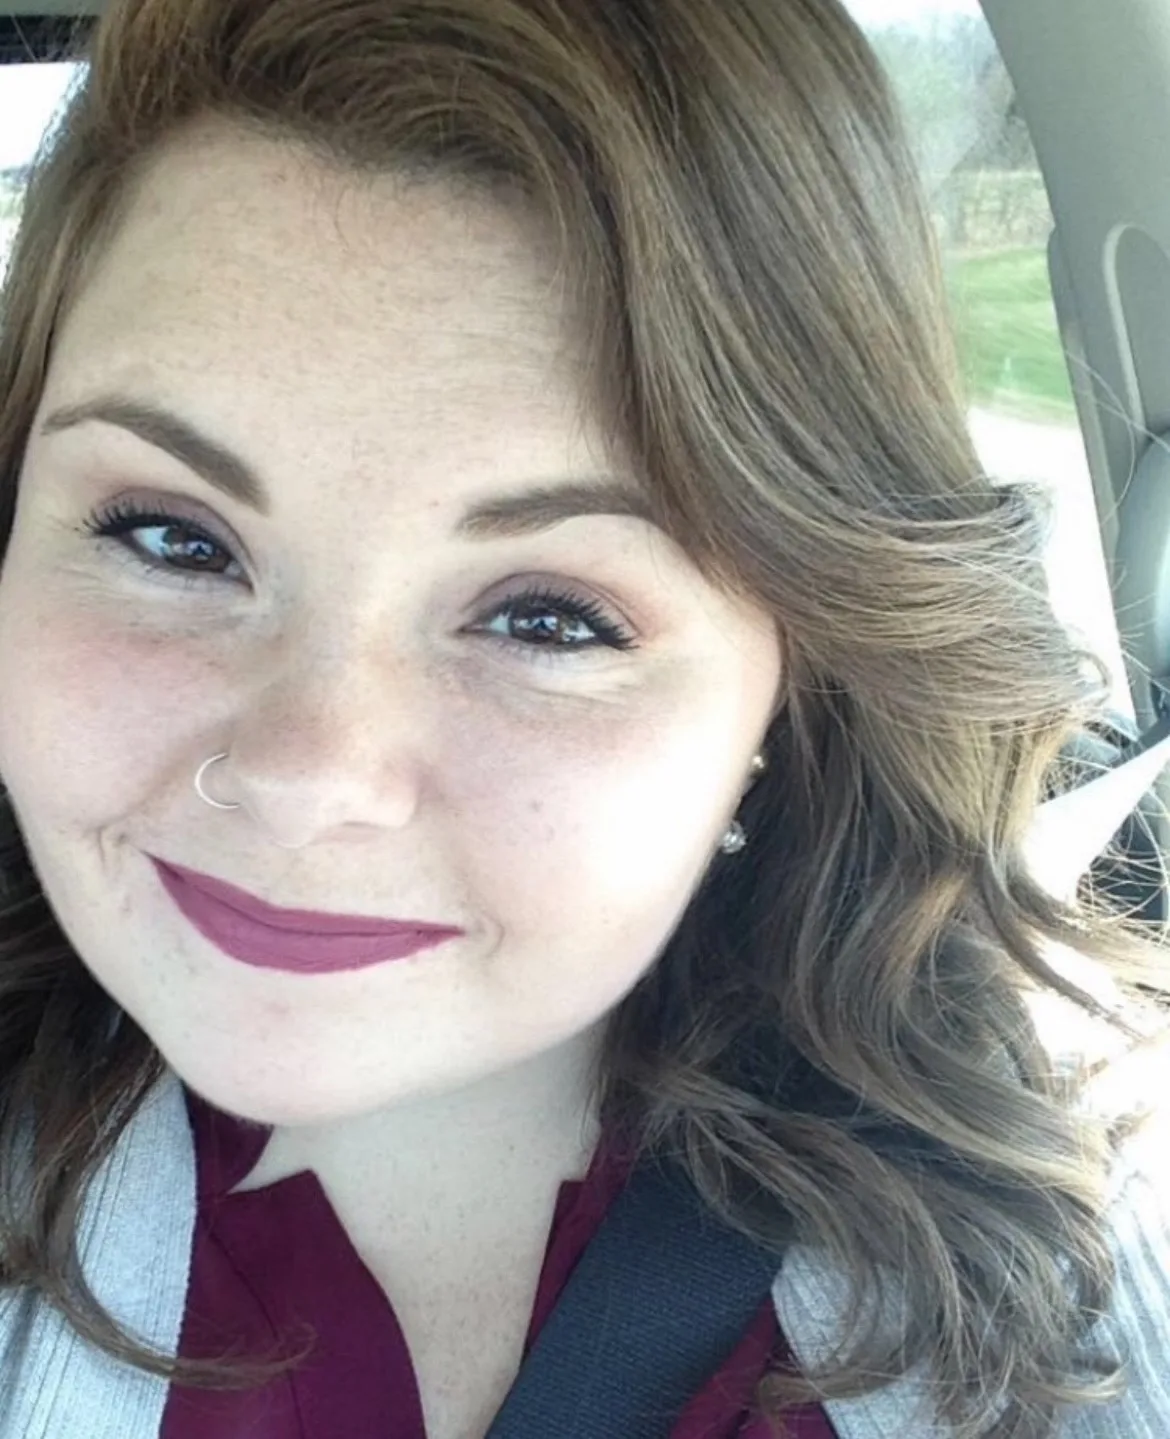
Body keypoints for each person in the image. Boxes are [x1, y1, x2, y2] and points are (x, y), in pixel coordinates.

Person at [0, 0, 1166, 1435]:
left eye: (549, 618)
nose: (306, 775)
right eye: (172, 538)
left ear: (790, 679)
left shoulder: (1082, 1240)